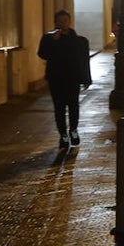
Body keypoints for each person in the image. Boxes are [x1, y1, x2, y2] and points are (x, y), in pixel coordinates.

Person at [37, 9, 92, 150]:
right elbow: (43, 54)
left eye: (65, 21)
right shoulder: (48, 38)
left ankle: (73, 130)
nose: (63, 23)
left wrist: (86, 79)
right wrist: (53, 42)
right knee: (59, 108)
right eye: (60, 21)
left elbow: (84, 61)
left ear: (69, 21)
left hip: (73, 78)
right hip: (56, 78)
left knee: (73, 105)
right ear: (55, 22)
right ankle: (63, 135)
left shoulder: (79, 41)